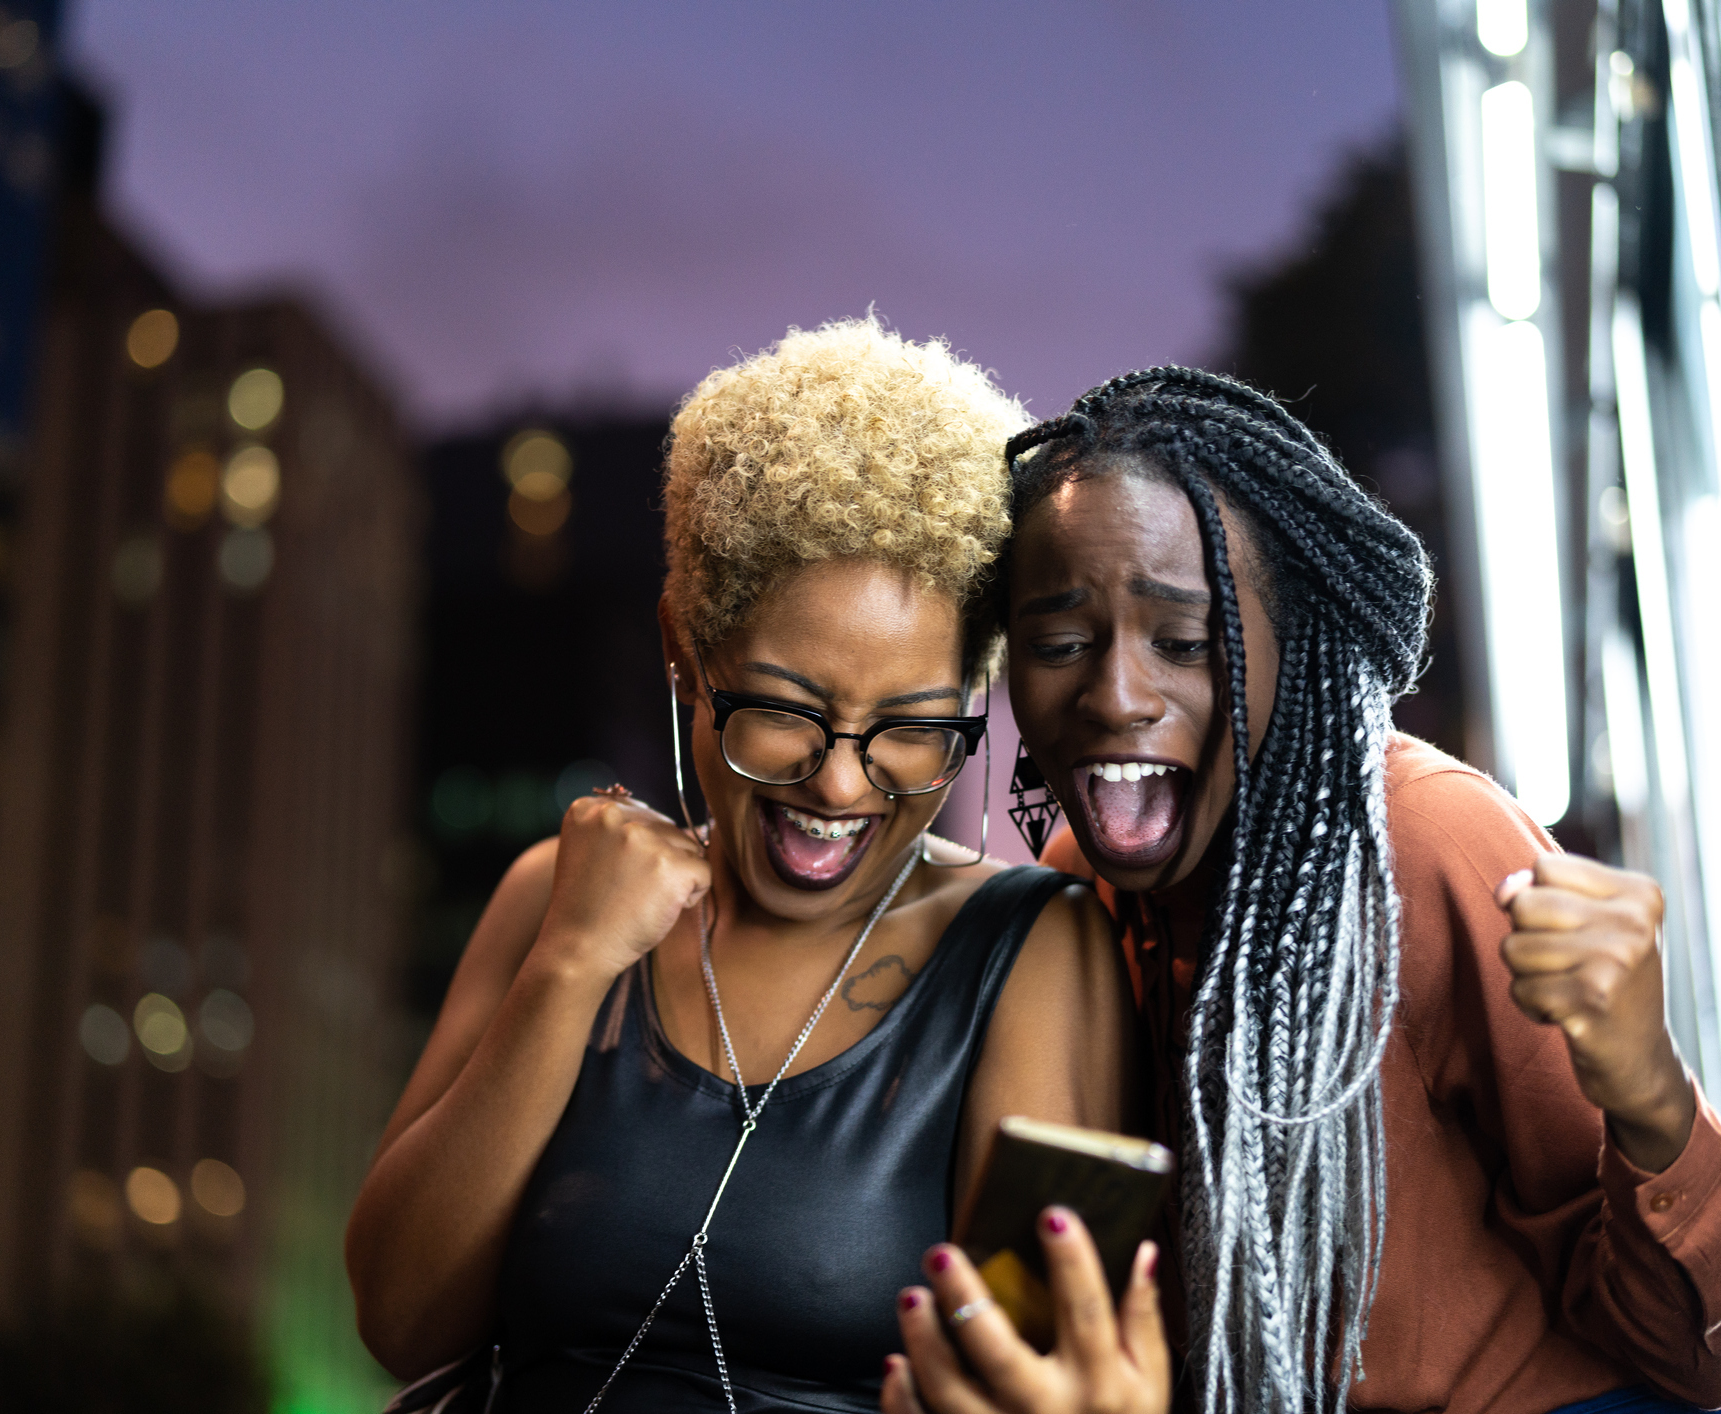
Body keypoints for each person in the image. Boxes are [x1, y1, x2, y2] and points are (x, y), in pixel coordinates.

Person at [884, 368, 1721, 1414]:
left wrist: (1649, 1090)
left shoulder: (1425, 844)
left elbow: (1691, 1359)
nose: (1114, 693)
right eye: (1060, 644)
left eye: (1180, 641)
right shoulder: (1076, 899)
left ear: (1288, 647)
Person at [346, 319, 1137, 1413]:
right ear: (685, 651)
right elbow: (400, 1318)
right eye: (786, 711)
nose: (843, 786)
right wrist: (571, 962)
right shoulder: (555, 898)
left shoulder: (1031, 949)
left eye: (909, 726)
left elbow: (1031, 1378)